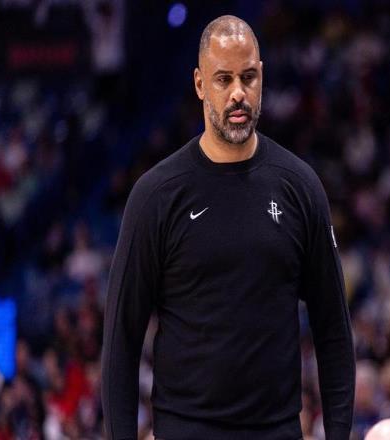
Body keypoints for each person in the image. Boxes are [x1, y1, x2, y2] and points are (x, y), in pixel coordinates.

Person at [101, 15, 355, 440]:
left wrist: (339, 434)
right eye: (224, 79)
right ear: (200, 84)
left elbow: (334, 330)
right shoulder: (156, 196)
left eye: (248, 77)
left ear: (262, 78)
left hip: (276, 432)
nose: (239, 93)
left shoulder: (300, 186)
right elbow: (120, 343)